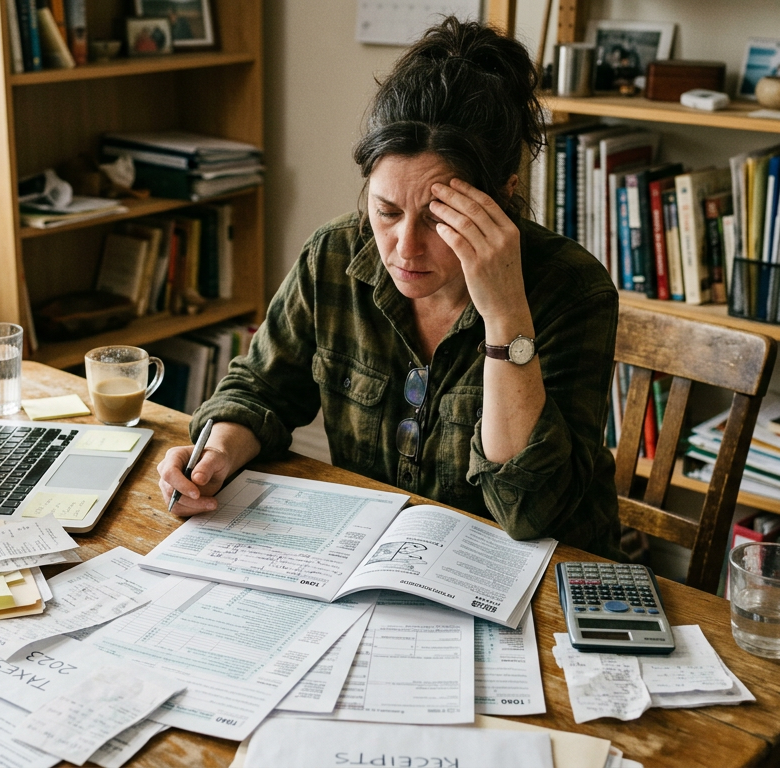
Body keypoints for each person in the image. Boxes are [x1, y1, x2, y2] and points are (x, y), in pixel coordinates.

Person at [156, 18, 622, 560]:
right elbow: (260, 388)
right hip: (375, 558)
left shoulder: (572, 290)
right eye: (386, 211)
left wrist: (505, 318)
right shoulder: (333, 256)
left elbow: (529, 511)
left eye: (439, 217)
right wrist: (217, 451)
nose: (405, 248)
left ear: (501, 197)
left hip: (536, 574)